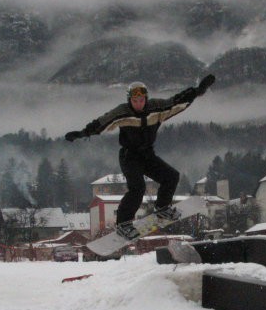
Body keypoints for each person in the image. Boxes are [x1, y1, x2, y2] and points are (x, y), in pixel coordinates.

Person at [65, 74, 215, 240]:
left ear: (146, 98)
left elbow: (177, 101)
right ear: (130, 100)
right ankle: (123, 224)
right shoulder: (122, 112)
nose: (138, 104)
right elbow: (102, 122)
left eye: (141, 100)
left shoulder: (157, 108)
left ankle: (162, 208)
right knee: (137, 188)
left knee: (171, 176)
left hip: (148, 155)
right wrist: (82, 133)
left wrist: (198, 91)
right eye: (135, 101)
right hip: (129, 157)